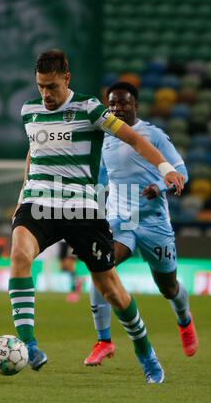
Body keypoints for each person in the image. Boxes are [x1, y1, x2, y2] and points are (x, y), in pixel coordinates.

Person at [9, 50, 185, 384]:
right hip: (39, 203)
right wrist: (22, 197)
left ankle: (145, 351)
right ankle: (30, 345)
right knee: (19, 254)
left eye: (52, 87)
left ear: (67, 78)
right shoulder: (28, 111)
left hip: (82, 210)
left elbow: (132, 138)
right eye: (41, 86)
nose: (46, 94)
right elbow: (33, 154)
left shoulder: (90, 108)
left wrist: (164, 168)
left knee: (111, 289)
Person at [84, 82, 198, 366]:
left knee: (168, 286)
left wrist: (159, 187)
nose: (116, 108)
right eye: (112, 104)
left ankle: (184, 320)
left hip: (153, 221)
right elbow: (100, 180)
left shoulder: (153, 136)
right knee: (101, 268)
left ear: (135, 105)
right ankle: (104, 341)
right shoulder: (106, 138)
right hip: (121, 220)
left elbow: (180, 171)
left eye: (122, 103)